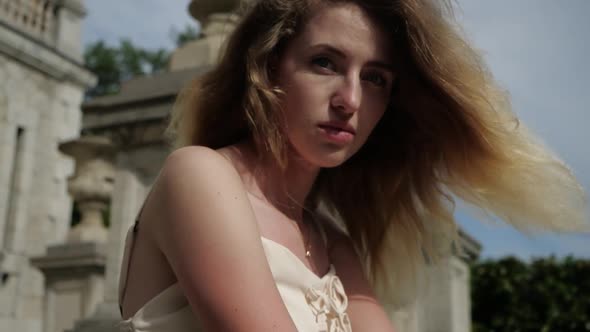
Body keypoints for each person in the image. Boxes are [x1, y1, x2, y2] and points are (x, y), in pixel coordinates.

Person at [117, 0, 588, 331]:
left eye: (375, 78)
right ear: (267, 68)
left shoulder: (331, 242)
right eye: (325, 63)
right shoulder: (199, 176)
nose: (351, 100)